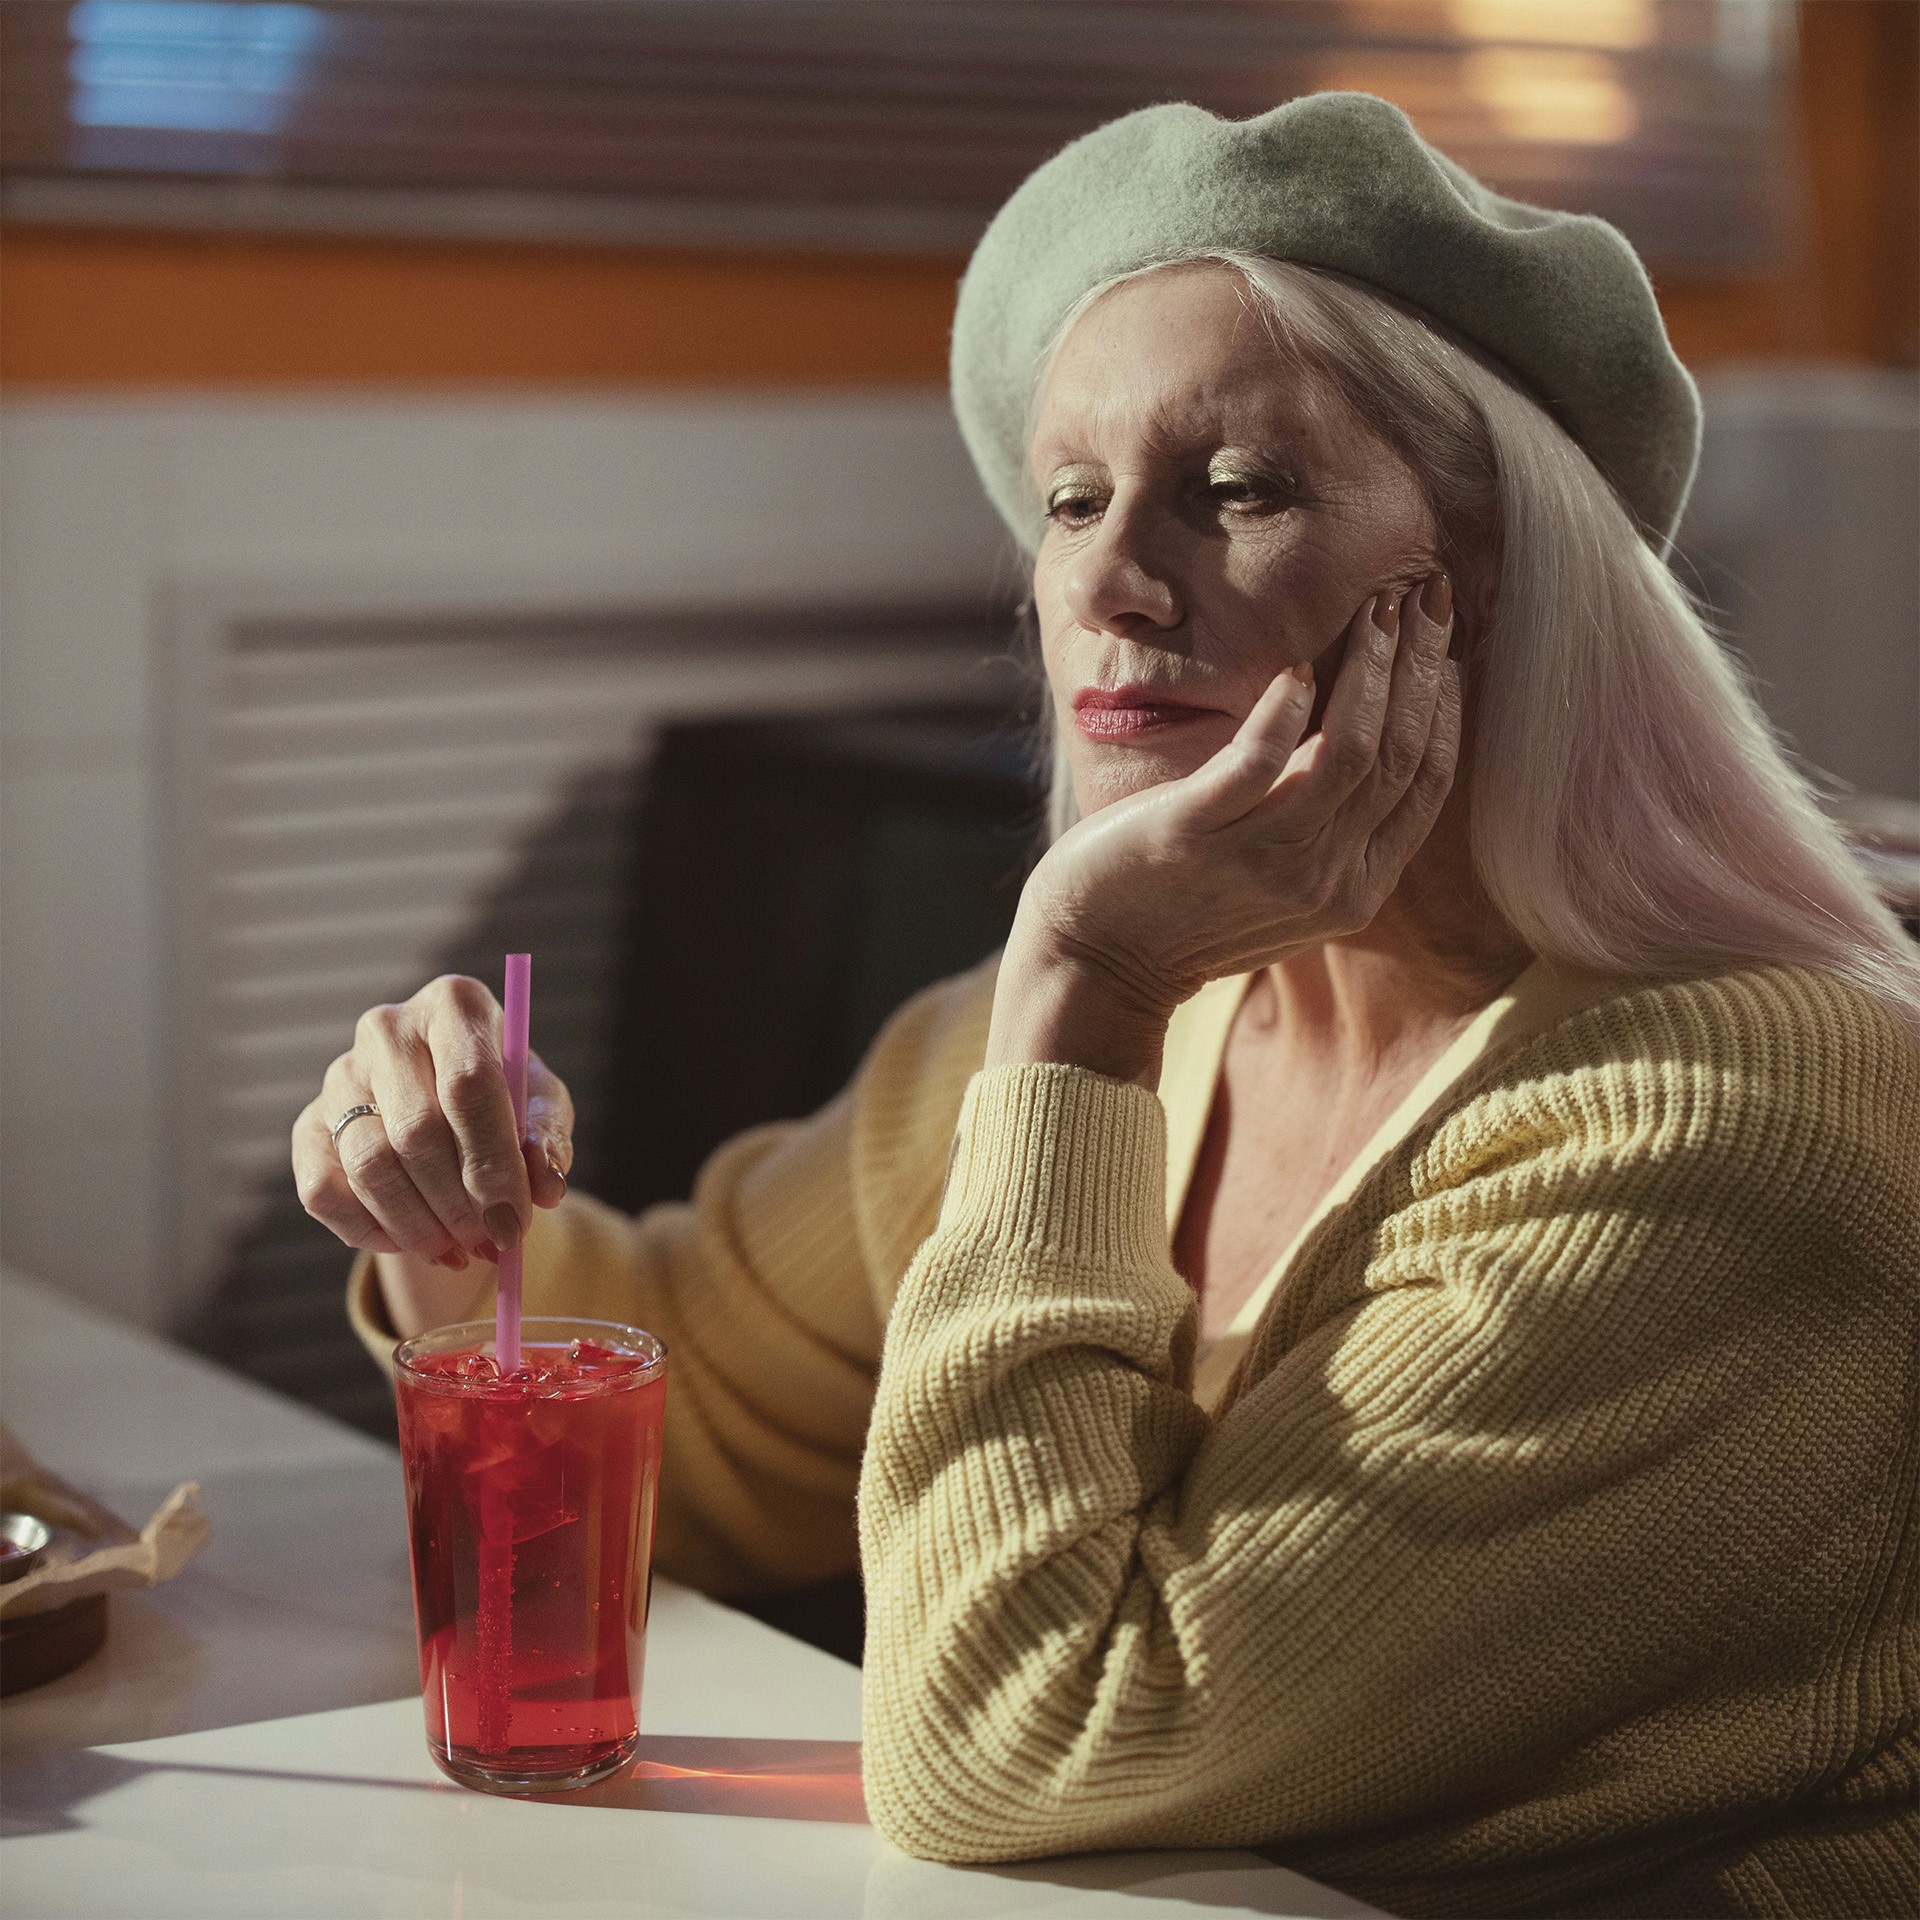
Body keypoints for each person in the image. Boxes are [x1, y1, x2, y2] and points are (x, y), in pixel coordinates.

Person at [294, 95, 1919, 1919]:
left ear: (1480, 587)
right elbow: (707, 1414)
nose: (1109, 580)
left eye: (1238, 489)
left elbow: (1022, 1742)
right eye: (1072, 500)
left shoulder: (1721, 1127)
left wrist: (1084, 999)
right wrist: (453, 1215)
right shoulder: (1118, 1017)